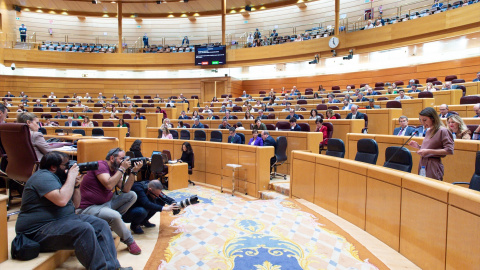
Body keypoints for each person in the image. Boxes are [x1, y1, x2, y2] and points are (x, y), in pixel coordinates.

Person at [15, 152, 131, 270]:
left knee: (101, 224)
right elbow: (62, 200)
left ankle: (113, 267)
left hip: (61, 220)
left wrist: (76, 186)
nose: (69, 167)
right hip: (37, 230)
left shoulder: (59, 177)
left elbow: (75, 205)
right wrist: (71, 177)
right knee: (84, 229)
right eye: (66, 165)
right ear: (53, 167)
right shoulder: (42, 176)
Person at [77, 148, 144, 255]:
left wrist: (134, 171)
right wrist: (122, 169)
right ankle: (129, 241)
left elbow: (125, 189)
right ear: (112, 158)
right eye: (121, 158)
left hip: (105, 203)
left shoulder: (115, 169)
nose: (124, 161)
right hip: (88, 207)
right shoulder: (101, 165)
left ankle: (112, 223)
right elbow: (108, 184)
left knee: (131, 195)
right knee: (115, 215)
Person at [408, 107, 454, 181]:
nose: (422, 123)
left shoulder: (443, 130)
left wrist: (428, 151)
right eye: (421, 120)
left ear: (433, 118)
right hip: (423, 163)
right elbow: (429, 147)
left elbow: (449, 150)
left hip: (433, 164)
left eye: (425, 120)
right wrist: (418, 146)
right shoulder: (428, 131)